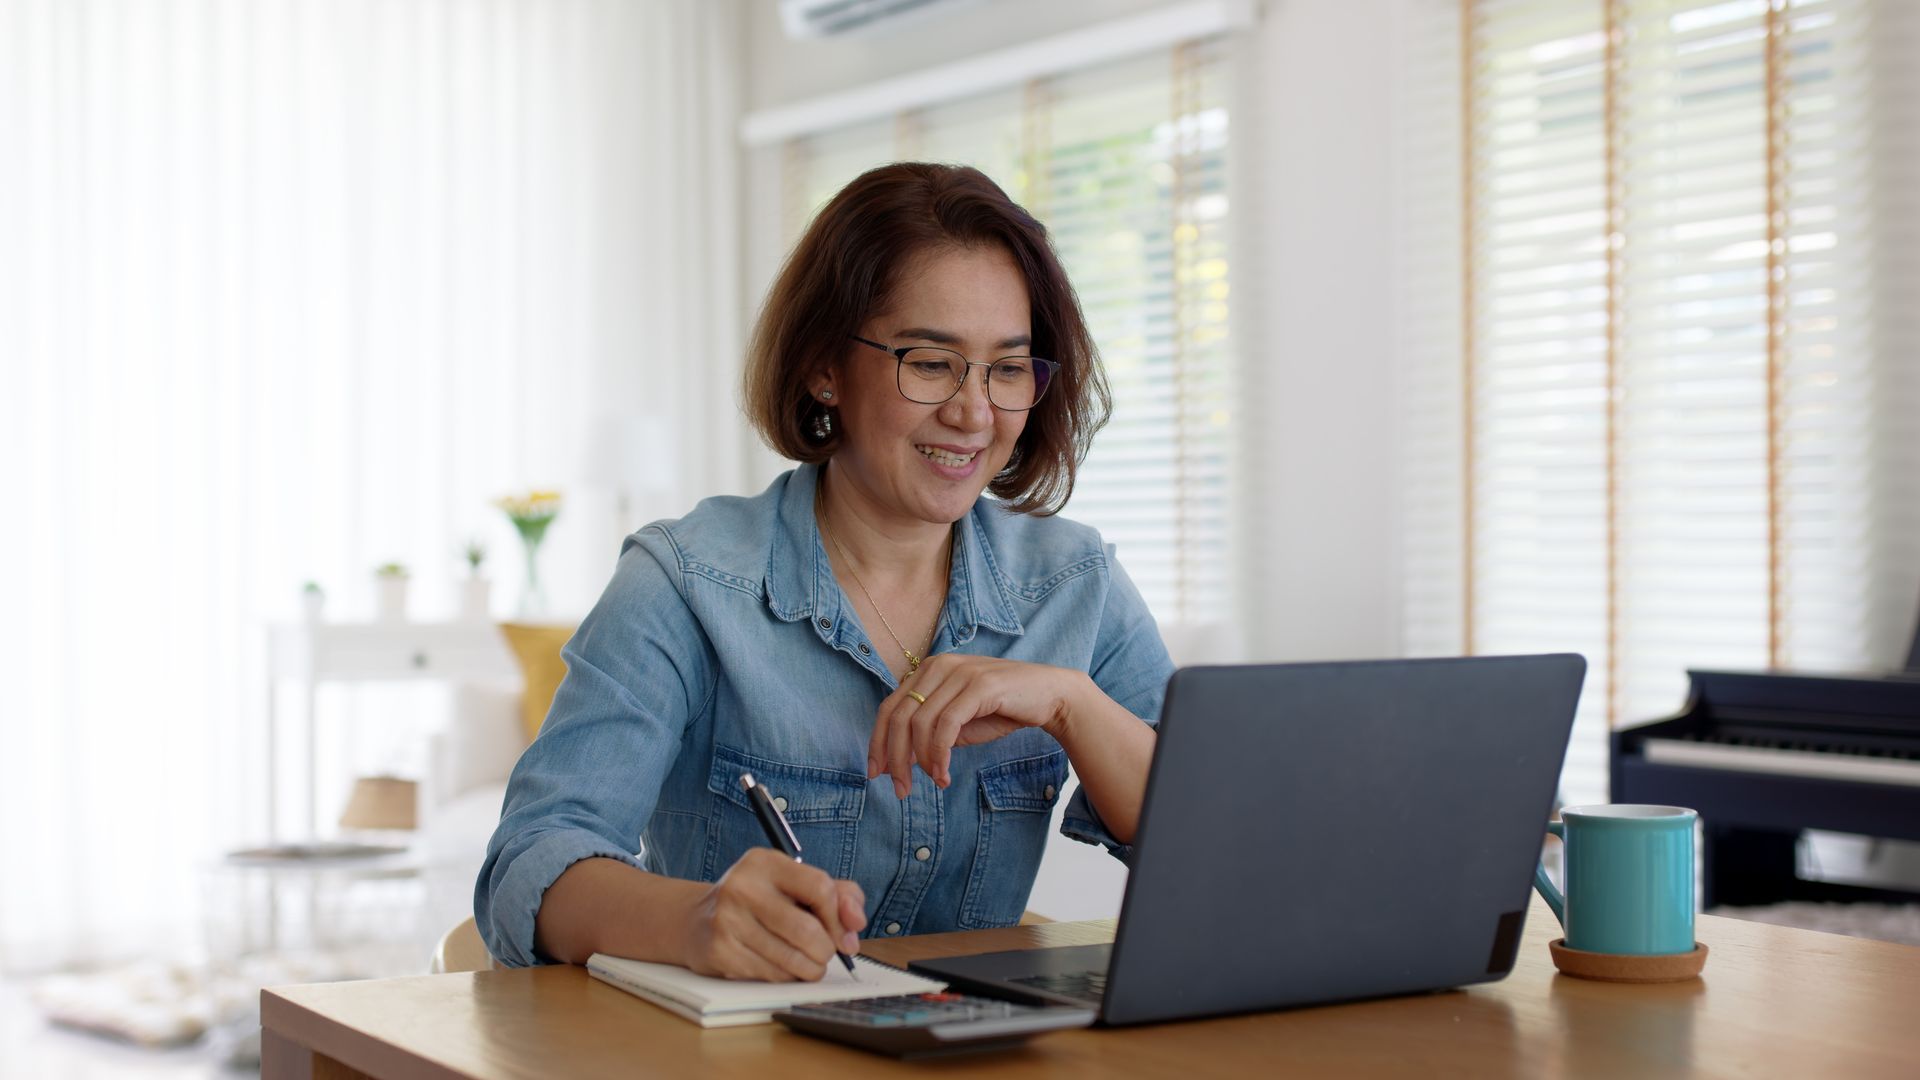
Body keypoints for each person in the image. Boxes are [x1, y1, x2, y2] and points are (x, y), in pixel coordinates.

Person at [475, 162, 1173, 979]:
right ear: (824, 368)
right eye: (930, 361)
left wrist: (1069, 703)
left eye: (1008, 368)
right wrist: (697, 920)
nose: (975, 412)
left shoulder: (1074, 581)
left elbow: (1222, 846)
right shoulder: (687, 582)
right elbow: (531, 861)